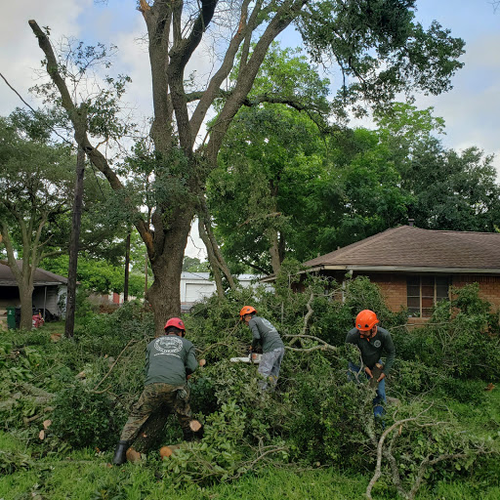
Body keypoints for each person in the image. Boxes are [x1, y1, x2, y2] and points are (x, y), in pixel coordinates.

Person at [112, 317, 202, 465]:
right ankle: (189, 444)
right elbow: (193, 366)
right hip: (176, 386)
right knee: (184, 414)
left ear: (166, 331)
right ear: (181, 333)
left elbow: (147, 369)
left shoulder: (152, 344)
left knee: (136, 415)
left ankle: (119, 455)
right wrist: (182, 373)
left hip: (152, 385)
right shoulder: (187, 344)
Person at [345, 309, 395, 421]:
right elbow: (349, 354)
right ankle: (353, 421)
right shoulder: (352, 335)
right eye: (360, 330)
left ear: (373, 327)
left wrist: (385, 372)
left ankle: (379, 421)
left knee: (379, 395)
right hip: (356, 365)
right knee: (353, 393)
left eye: (364, 331)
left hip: (376, 366)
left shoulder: (384, 335)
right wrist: (363, 367)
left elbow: (391, 353)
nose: (361, 333)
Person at [240, 306, 285, 391]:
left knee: (263, 372)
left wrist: (252, 346)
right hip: (280, 347)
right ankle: (270, 394)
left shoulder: (252, 321)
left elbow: (257, 337)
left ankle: (260, 395)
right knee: (273, 373)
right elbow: (265, 335)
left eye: (244, 320)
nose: (245, 323)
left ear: (247, 317)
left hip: (271, 348)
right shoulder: (262, 320)